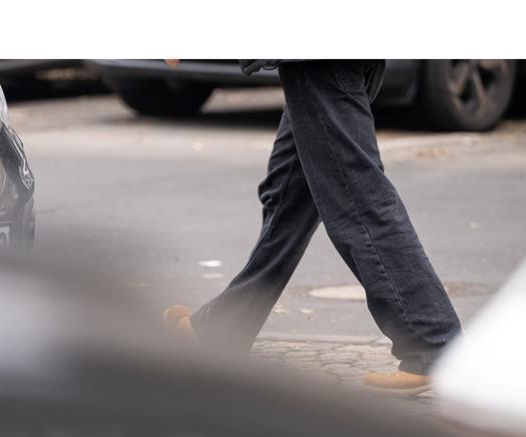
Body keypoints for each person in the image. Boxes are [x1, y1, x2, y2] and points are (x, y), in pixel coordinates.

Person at [163, 59, 462, 395]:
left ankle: (432, 344)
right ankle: (220, 330)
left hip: (319, 59)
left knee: (358, 199)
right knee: (288, 196)